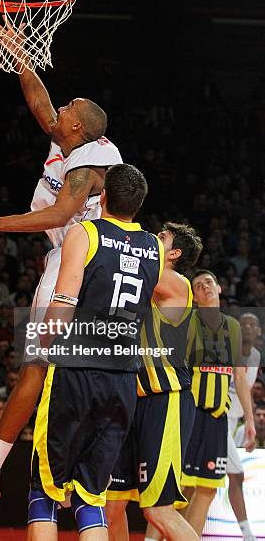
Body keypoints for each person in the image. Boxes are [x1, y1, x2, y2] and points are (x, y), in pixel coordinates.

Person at [0, 40, 122, 498]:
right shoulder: (69, 138)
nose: (59, 108)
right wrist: (19, 56)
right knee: (71, 368)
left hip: (77, 262)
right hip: (85, 261)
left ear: (78, 125)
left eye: (69, 107)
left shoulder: (88, 162)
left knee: (37, 366)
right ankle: (92, 463)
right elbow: (41, 103)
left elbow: (60, 215)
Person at [28, 163, 161, 539]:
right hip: (121, 379)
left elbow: (65, 297)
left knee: (44, 489)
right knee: (92, 494)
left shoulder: (85, 233)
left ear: (102, 198)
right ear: (138, 206)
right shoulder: (154, 248)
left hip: (76, 371)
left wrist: (44, 342)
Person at [106, 223, 202, 541]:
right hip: (134, 402)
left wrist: (101, 234)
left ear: (173, 253)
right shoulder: (144, 288)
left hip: (166, 398)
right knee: (112, 505)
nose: (153, 239)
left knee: (157, 510)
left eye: (161, 238)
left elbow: (124, 264)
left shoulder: (176, 283)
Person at [181, 270, 256, 538]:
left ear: (219, 288)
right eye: (198, 285)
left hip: (217, 417)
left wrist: (250, 420)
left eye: (209, 282)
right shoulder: (188, 322)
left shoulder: (232, 327)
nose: (205, 287)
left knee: (208, 489)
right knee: (181, 491)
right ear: (194, 295)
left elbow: (239, 376)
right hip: (189, 414)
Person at [226, 313, 261, 541]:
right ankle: (248, 535)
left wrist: (249, 421)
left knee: (200, 485)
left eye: (253, 323)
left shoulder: (256, 356)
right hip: (217, 417)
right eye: (243, 323)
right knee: (236, 475)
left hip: (232, 421)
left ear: (259, 332)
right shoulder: (227, 350)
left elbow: (245, 390)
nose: (247, 326)